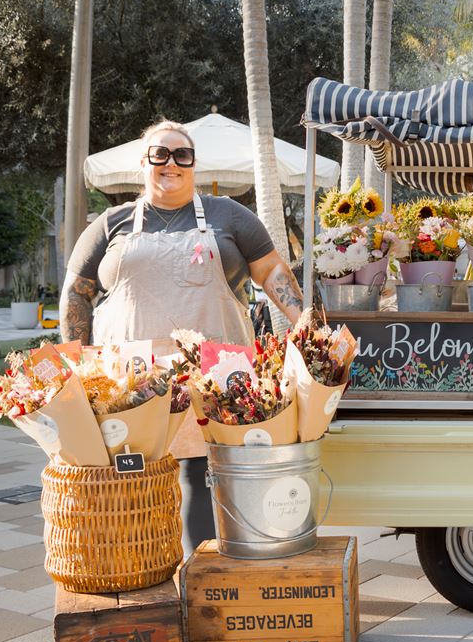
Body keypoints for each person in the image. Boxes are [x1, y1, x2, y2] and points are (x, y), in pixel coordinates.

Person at [61, 119, 305, 554]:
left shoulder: (229, 215)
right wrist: (77, 367)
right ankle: (142, 571)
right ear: (143, 162)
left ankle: (203, 576)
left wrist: (302, 319)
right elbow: (77, 295)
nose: (170, 163)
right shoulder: (110, 224)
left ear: (194, 164)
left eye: (181, 155)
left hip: (213, 370)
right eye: (160, 154)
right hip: (132, 375)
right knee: (134, 477)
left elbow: (270, 272)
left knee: (201, 472)